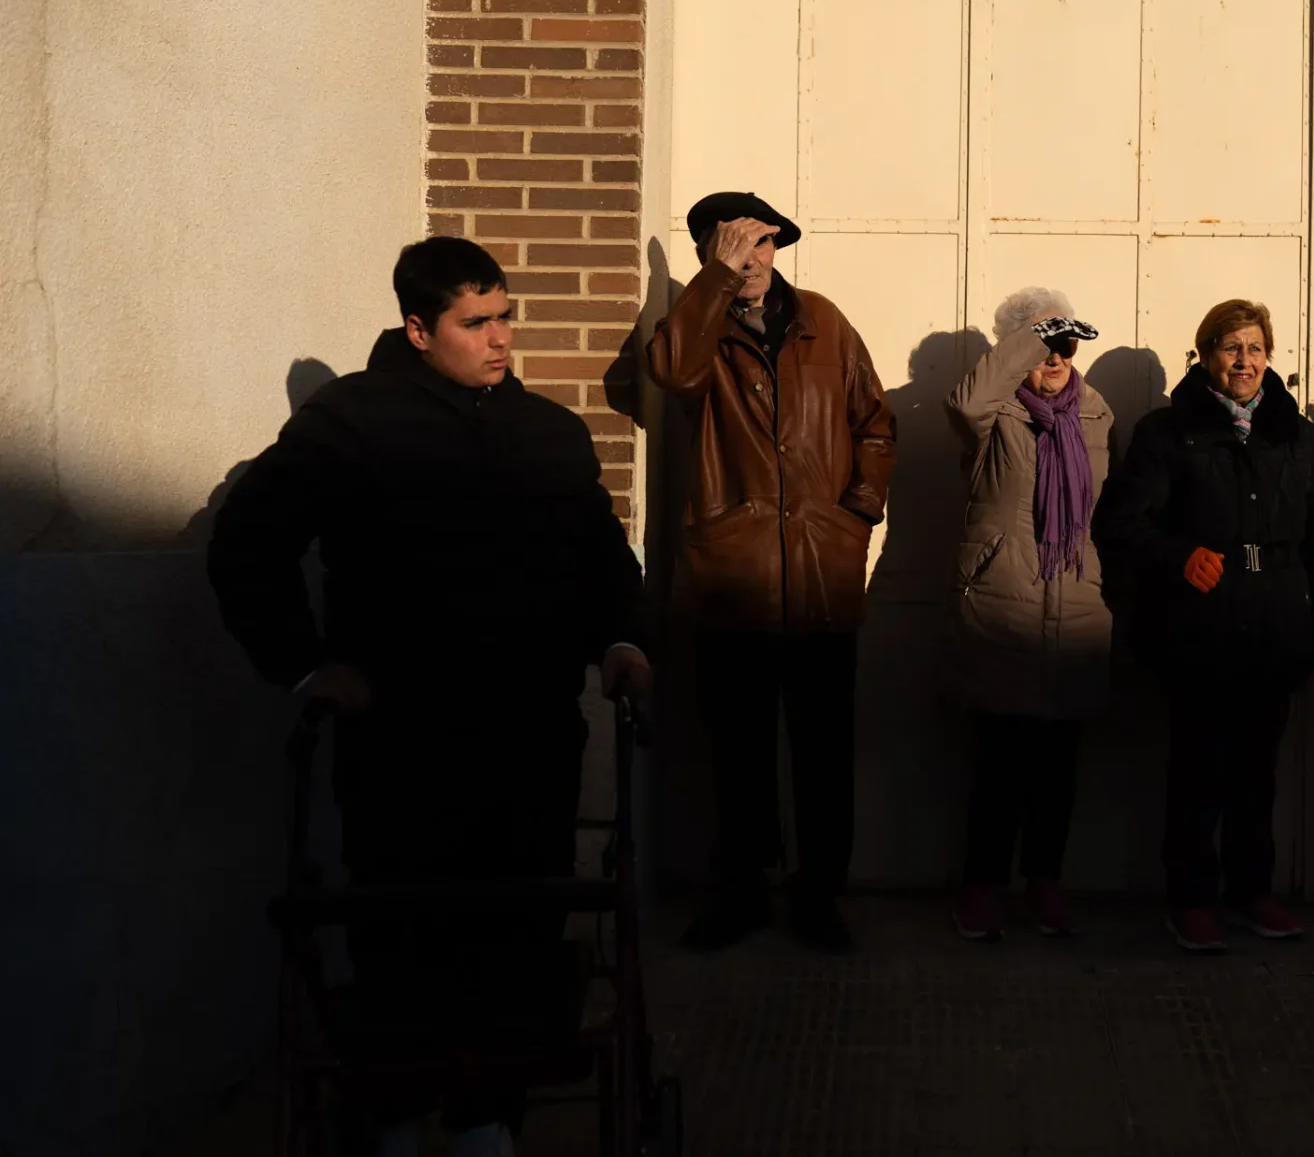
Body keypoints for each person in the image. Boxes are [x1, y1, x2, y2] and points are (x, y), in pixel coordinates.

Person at [207, 236, 652, 1157]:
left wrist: (620, 639)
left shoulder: (549, 431)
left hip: (530, 735)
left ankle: (490, 1119)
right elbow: (247, 544)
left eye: (506, 318)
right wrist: (303, 664)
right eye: (476, 323)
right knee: (402, 932)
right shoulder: (352, 423)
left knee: (523, 929)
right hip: (401, 742)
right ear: (418, 328)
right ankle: (395, 1119)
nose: (500, 340)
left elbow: (599, 553)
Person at [644, 191, 897, 954]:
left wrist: (855, 512)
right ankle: (741, 895)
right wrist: (713, 287)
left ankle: (818, 896)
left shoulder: (824, 320)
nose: (753, 260)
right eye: (735, 246)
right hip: (734, 574)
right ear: (706, 255)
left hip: (822, 571)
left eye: (762, 244)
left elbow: (874, 423)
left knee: (823, 755)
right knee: (737, 754)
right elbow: (670, 375)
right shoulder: (697, 323)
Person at [1092, 299, 1314, 953]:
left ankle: (1251, 891)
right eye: (1230, 348)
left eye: (1255, 348)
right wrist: (1178, 555)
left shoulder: (1296, 434)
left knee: (1256, 774)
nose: (1244, 361)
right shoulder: (1167, 431)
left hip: (1273, 625)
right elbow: (1121, 524)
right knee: (1197, 770)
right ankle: (1190, 899)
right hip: (1198, 628)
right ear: (1205, 355)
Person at [945, 288, 1113, 942]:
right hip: (1002, 605)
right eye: (1045, 346)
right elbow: (963, 402)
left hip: (1072, 605)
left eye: (1067, 346)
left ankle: (1045, 882)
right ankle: (982, 886)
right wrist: (1029, 338)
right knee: (997, 765)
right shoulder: (993, 418)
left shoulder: (1095, 415)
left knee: (1057, 769)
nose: (1058, 357)